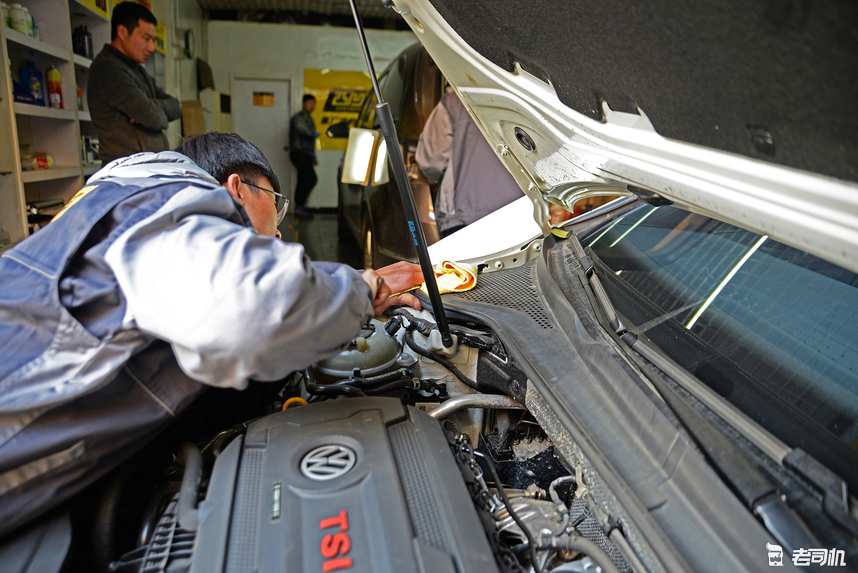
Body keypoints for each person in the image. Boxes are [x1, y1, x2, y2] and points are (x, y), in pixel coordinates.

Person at [0, 132, 424, 538]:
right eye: (274, 206)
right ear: (237, 188)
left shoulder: (119, 200)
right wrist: (361, 289)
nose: (277, 232)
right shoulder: (162, 203)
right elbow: (251, 307)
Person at [416, 89, 523, 237]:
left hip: (465, 218)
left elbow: (431, 162)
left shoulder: (453, 101)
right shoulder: (521, 98)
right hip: (522, 216)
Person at [87, 2, 181, 164]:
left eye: (153, 40)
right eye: (146, 38)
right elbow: (154, 118)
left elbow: (176, 107)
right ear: (122, 32)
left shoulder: (137, 70)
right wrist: (153, 110)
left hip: (147, 170)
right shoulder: (108, 69)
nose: (151, 48)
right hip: (127, 174)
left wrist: (152, 105)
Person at [289, 94, 319, 215]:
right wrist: (312, 133)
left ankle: (300, 206)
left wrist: (313, 156)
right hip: (299, 153)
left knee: (304, 179)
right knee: (310, 179)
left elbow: (311, 141)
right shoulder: (299, 117)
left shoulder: (308, 117)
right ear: (303, 103)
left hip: (306, 154)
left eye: (313, 103)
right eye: (310, 103)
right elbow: (299, 128)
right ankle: (299, 206)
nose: (312, 106)